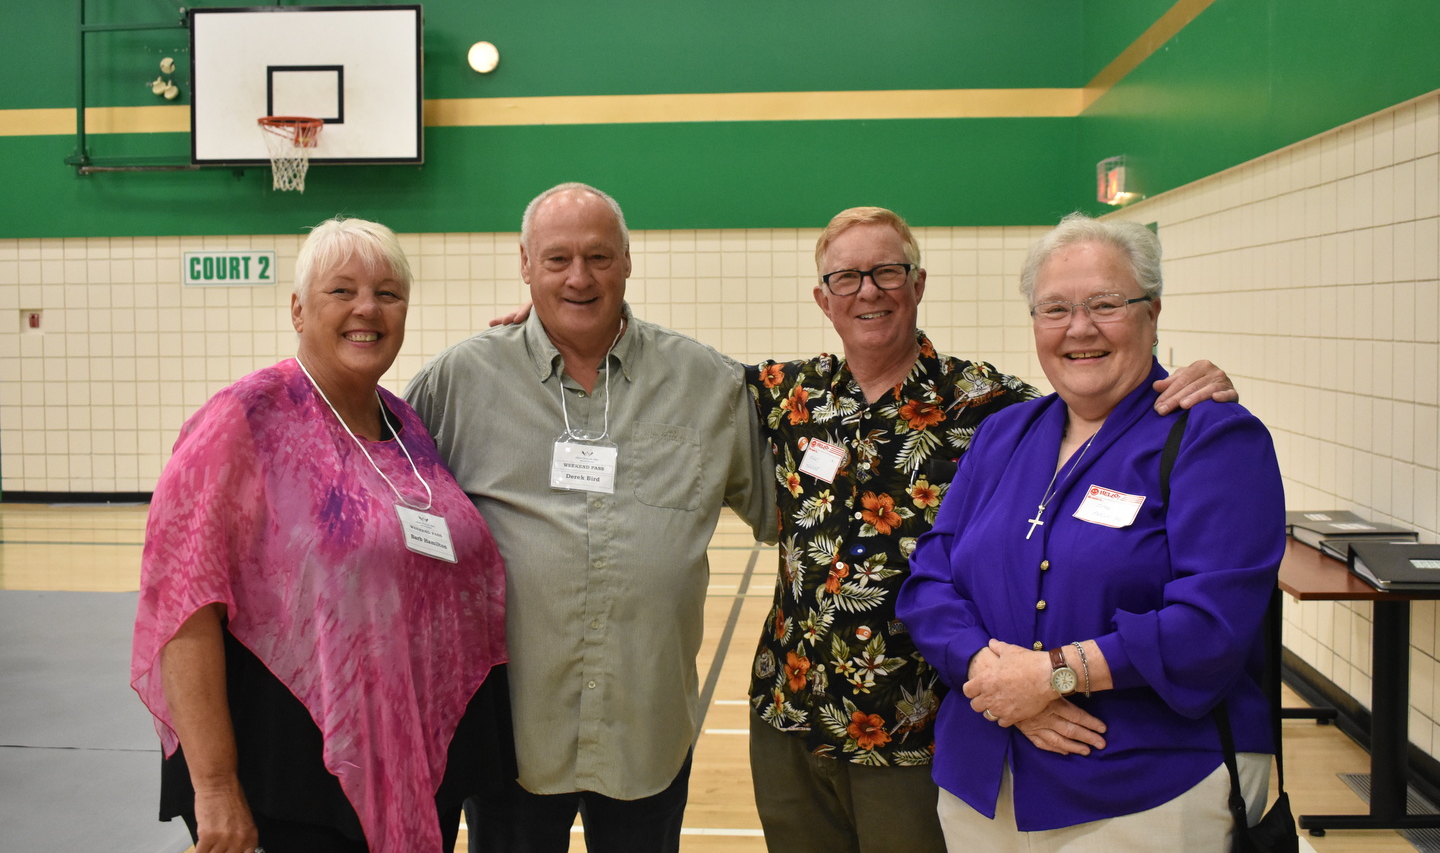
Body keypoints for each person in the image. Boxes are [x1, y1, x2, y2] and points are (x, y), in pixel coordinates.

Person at [744, 207, 1238, 853]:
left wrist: (1192, 385)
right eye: (847, 278)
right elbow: (673, 382)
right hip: (793, 711)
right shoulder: (790, 395)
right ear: (823, 298)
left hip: (922, 725)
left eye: (888, 272)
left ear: (917, 284)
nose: (869, 291)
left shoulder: (993, 407)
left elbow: (1096, 396)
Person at [895, 213, 1284, 851]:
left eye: (1106, 304)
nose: (1079, 328)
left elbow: (1210, 625)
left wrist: (1051, 677)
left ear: (1151, 313)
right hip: (984, 777)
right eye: (1055, 309)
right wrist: (996, 677)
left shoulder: (1212, 438)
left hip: (1147, 783)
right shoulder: (1003, 434)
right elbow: (930, 581)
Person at [404, 183, 775, 853]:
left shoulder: (706, 385)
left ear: (628, 262)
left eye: (599, 258)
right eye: (557, 260)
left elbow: (788, 511)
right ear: (525, 264)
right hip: (513, 735)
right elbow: (388, 509)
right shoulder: (458, 383)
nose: (579, 277)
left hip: (648, 729)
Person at [131, 217, 510, 853]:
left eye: (389, 293)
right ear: (298, 309)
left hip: (413, 764)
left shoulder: (406, 424)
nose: (368, 308)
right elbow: (182, 609)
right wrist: (217, 785)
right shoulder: (246, 419)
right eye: (342, 291)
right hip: (290, 778)